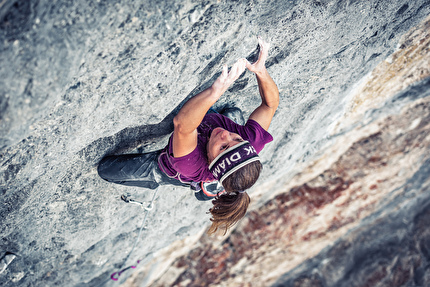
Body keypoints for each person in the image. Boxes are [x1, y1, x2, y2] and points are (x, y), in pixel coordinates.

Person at [98, 37, 279, 235]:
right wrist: (261, 71)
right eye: (236, 139)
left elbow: (182, 125)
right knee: (233, 113)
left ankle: (182, 184)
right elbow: (270, 105)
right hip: (212, 153)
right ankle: (219, 182)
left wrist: (215, 91)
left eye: (223, 147)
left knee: (106, 170)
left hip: (170, 164)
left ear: (210, 161)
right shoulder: (250, 143)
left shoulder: (191, 164)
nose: (226, 135)